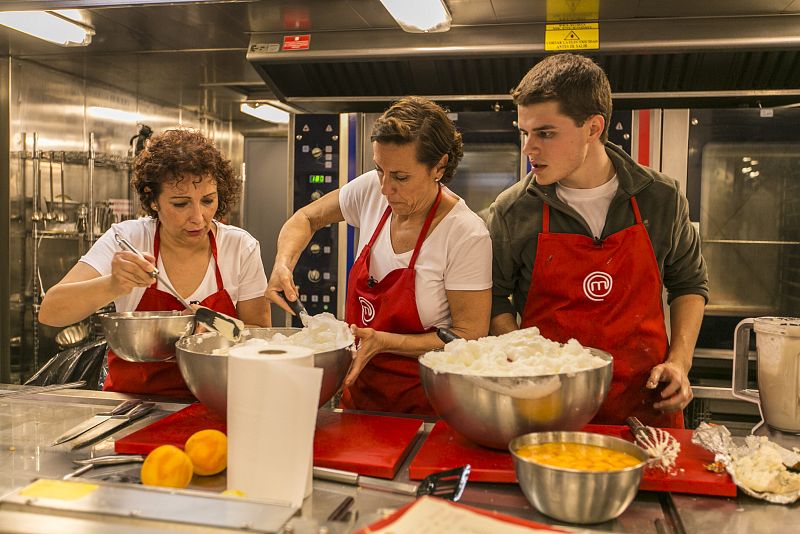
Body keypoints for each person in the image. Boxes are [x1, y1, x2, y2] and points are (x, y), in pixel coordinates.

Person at [487, 54, 708, 428]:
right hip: (548, 409)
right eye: (525, 132)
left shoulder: (660, 197)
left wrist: (679, 362)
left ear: (593, 128)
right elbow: (492, 296)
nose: (529, 148)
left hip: (647, 407)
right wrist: (524, 356)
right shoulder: (513, 211)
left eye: (545, 132)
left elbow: (689, 283)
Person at [268, 96, 492, 414]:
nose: (385, 188)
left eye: (400, 177)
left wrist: (386, 341)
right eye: (379, 170)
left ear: (439, 166)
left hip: (427, 408)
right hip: (357, 397)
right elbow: (306, 218)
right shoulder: (372, 190)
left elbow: (469, 337)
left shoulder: (465, 234)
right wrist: (282, 264)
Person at [39, 129, 270, 396]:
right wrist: (113, 284)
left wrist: (215, 329)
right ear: (153, 200)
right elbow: (51, 312)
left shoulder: (240, 247)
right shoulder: (127, 239)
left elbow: (260, 334)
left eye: (208, 200)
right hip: (133, 403)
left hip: (217, 400)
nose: (198, 217)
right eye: (181, 204)